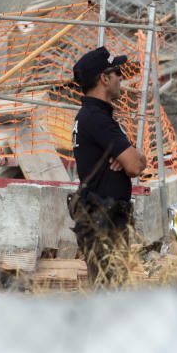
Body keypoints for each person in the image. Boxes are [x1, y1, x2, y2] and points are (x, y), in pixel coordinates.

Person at [70, 46, 147, 284]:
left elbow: (137, 159)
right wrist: (132, 158)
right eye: (116, 72)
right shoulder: (97, 119)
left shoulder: (94, 116)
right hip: (104, 222)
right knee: (110, 292)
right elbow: (135, 166)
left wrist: (133, 156)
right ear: (104, 78)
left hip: (103, 219)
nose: (121, 78)